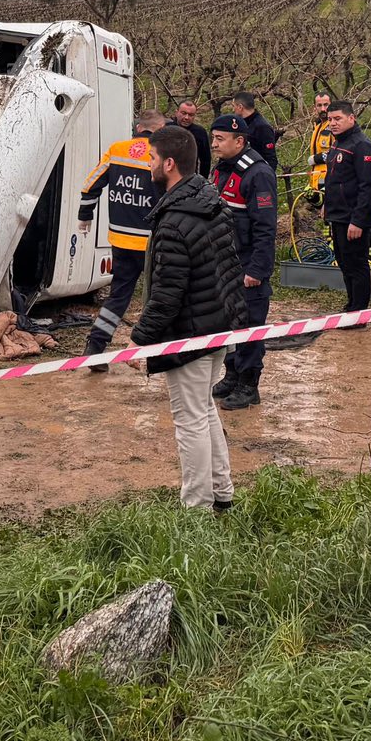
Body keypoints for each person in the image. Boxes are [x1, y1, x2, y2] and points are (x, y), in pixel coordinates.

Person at [128, 124, 240, 511]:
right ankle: (221, 493)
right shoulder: (211, 201)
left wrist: (139, 340)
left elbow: (166, 294)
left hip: (190, 334)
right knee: (204, 410)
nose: (149, 165)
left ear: (169, 164)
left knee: (189, 420)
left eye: (152, 159)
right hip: (218, 327)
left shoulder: (175, 220)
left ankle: (197, 508)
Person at [76, 110, 166, 369]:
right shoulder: (162, 154)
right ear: (159, 129)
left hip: (120, 238)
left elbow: (90, 185)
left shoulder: (117, 150)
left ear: (138, 128)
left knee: (118, 296)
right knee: (161, 297)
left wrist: (85, 215)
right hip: (151, 241)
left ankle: (95, 347)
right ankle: (154, 352)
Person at [208, 115, 276, 411]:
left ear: (239, 141)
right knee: (229, 323)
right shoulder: (221, 169)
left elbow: (265, 227)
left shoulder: (257, 173)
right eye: (213, 138)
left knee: (250, 325)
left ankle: (249, 385)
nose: (214, 144)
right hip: (224, 262)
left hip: (247, 263)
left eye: (220, 139)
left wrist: (257, 269)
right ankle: (232, 374)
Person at [321, 101, 371, 311]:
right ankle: (351, 305)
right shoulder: (338, 143)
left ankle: (359, 311)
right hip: (337, 214)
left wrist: (358, 221)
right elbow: (334, 179)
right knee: (344, 263)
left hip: (352, 218)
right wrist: (327, 204)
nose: (333, 123)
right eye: (330, 119)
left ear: (351, 118)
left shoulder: (361, 145)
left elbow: (368, 187)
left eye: (338, 119)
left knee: (356, 264)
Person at [228, 93, 279, 168]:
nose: (233, 110)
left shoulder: (262, 127)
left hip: (255, 171)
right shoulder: (238, 124)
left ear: (240, 107)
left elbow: (271, 159)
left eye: (233, 106)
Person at [304, 91, 335, 202]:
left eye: (326, 105)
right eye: (319, 105)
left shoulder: (334, 126)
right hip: (317, 179)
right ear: (315, 107)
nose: (323, 109)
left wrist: (317, 158)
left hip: (330, 178)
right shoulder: (317, 126)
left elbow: (339, 153)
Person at [173, 101, 213, 178]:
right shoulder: (165, 129)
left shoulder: (200, 132)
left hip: (189, 178)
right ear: (176, 112)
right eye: (183, 113)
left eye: (191, 115)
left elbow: (206, 160)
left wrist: (202, 180)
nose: (186, 117)